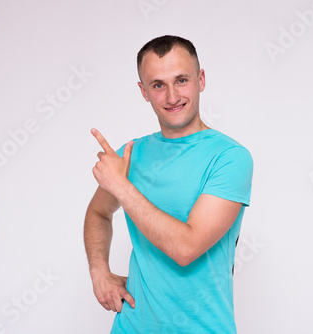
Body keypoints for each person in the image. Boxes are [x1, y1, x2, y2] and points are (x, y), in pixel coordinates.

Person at [84, 35, 253, 333]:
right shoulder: (130, 155)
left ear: (201, 80)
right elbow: (98, 213)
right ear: (144, 91)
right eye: (158, 85)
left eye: (182, 80)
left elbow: (186, 248)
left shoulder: (230, 157)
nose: (172, 96)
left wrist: (121, 186)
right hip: (131, 326)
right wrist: (99, 271)